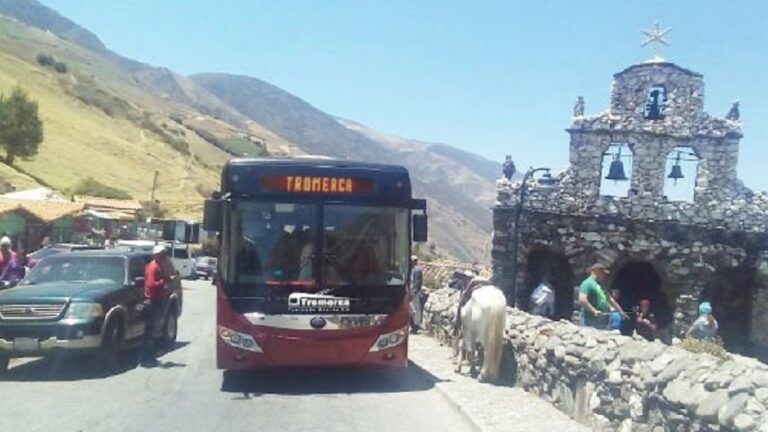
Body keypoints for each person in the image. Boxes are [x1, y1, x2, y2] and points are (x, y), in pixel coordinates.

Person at [140, 245, 168, 368]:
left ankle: (149, 357)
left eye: (164, 254)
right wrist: (163, 281)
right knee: (150, 332)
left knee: (151, 332)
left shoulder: (157, 266)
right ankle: (146, 359)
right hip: (153, 301)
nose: (164, 256)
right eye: (162, 254)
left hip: (155, 300)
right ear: (156, 255)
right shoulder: (154, 267)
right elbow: (151, 285)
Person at [578, 263, 628, 329]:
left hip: (602, 319)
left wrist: (620, 311)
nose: (604, 275)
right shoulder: (587, 283)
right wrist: (594, 310)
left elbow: (610, 299)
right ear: (597, 271)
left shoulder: (602, 285)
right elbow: (582, 299)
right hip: (590, 318)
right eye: (603, 273)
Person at [410, 256, 424, 333]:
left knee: (415, 309)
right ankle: (413, 325)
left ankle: (416, 325)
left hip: (414, 293)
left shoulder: (417, 270)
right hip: (411, 292)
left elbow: (417, 282)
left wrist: (414, 292)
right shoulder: (412, 269)